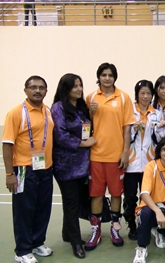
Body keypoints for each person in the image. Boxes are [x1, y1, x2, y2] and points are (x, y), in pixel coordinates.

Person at [2, 75, 54, 263]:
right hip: (24, 170)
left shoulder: (47, 111)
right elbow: (7, 144)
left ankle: (37, 242)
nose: (37, 91)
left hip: (45, 169)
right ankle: (22, 250)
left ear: (46, 91)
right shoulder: (16, 113)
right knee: (24, 210)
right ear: (26, 90)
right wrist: (10, 174)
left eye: (41, 88)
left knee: (43, 208)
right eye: (33, 87)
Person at [85, 63, 135, 250]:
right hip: (96, 156)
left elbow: (127, 127)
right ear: (98, 77)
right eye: (103, 75)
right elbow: (84, 126)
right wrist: (90, 112)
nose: (107, 78)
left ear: (115, 77)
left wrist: (125, 152)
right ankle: (95, 230)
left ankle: (115, 228)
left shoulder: (123, 97)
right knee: (96, 194)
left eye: (110, 75)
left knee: (116, 194)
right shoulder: (90, 97)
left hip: (116, 157)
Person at [51, 73, 97, 259]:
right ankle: (77, 243)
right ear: (65, 88)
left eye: (80, 85)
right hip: (66, 166)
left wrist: (92, 114)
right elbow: (60, 135)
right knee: (71, 204)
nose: (79, 89)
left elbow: (88, 129)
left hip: (82, 165)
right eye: (74, 86)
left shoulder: (81, 108)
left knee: (75, 202)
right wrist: (84, 144)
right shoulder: (58, 108)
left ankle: (67, 233)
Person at [123, 79, 157, 240]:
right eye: (142, 93)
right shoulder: (129, 112)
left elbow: (160, 139)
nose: (145, 96)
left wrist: (160, 128)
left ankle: (147, 224)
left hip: (149, 164)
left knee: (148, 196)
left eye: (148, 93)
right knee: (130, 198)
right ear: (137, 94)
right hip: (131, 163)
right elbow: (123, 137)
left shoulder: (156, 114)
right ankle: (131, 225)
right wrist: (132, 130)